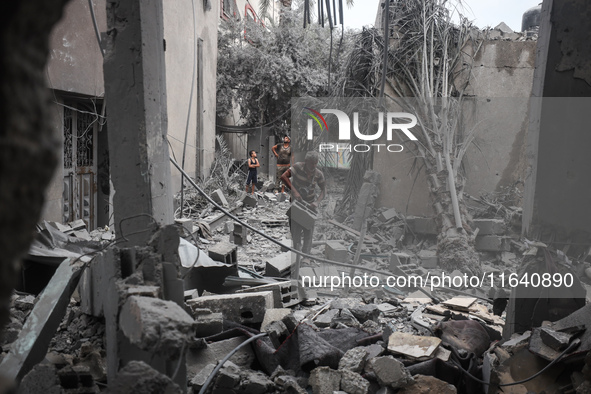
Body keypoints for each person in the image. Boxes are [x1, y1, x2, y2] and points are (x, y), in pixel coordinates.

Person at [281, 151, 326, 255]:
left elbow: (324, 191)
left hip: (310, 205)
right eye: (311, 163)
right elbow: (284, 176)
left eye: (316, 163)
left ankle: (306, 255)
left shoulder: (319, 174)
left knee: (308, 231)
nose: (314, 166)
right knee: (295, 229)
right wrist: (295, 192)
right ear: (306, 161)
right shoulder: (297, 167)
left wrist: (317, 202)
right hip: (297, 204)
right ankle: (296, 251)